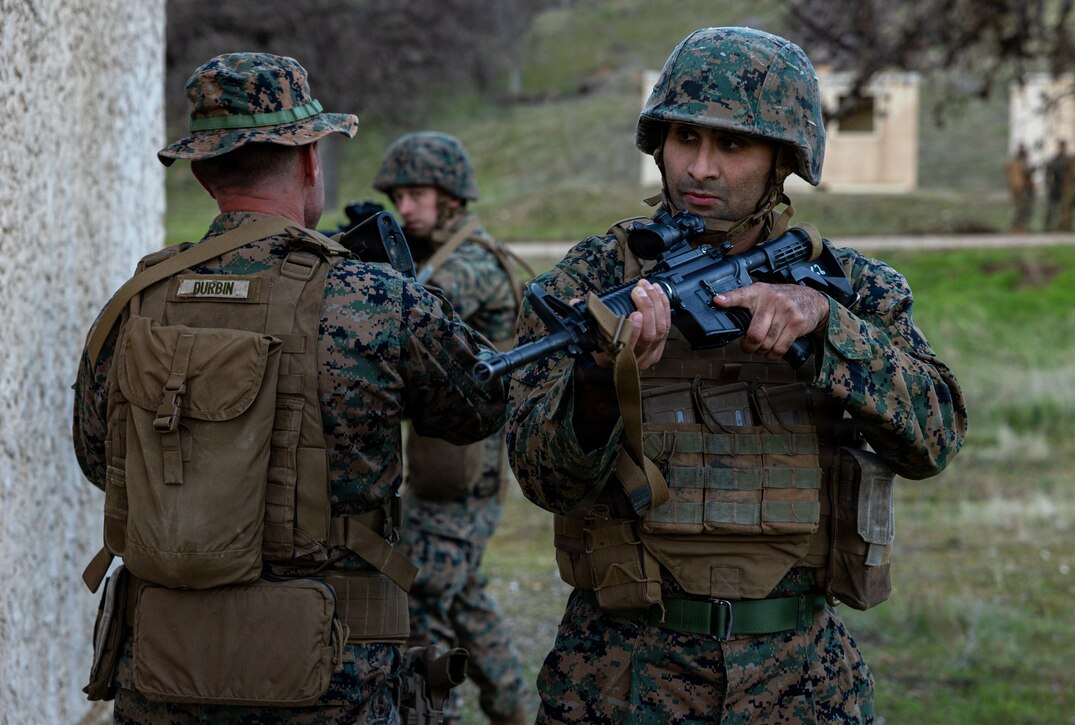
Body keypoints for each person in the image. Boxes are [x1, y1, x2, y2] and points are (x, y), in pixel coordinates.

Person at [505, 27, 968, 723]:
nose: (701, 167)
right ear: (658, 143)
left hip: (802, 678)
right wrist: (603, 381)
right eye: (684, 138)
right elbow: (544, 477)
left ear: (784, 159)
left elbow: (934, 436)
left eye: (732, 144)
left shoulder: (845, 286)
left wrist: (826, 327)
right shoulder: (593, 281)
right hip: (622, 675)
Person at [72, 53, 508, 724]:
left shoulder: (138, 301)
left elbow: (99, 458)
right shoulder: (371, 297)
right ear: (310, 160)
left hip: (163, 672)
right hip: (331, 678)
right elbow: (479, 403)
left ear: (201, 170)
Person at [373, 131, 532, 725]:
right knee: (464, 596)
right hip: (449, 465)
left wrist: (369, 272)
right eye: (399, 196)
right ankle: (513, 709)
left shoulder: (471, 262)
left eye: (416, 195)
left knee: (420, 598)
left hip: (464, 472)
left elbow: (424, 309)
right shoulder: (440, 252)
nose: (404, 208)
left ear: (453, 198)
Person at [1005, 143, 1035, 233]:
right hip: (1021, 191)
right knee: (1021, 210)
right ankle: (1017, 228)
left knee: (1023, 210)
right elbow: (1025, 174)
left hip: (1021, 191)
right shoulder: (1017, 166)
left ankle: (1020, 227)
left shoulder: (1015, 166)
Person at [1045, 139, 1069, 231]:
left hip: (1064, 186)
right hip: (1055, 185)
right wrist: (1049, 182)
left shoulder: (1067, 159)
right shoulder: (1054, 160)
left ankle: (1063, 226)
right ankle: (1049, 226)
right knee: (1050, 207)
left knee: (1064, 208)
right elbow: (1048, 172)